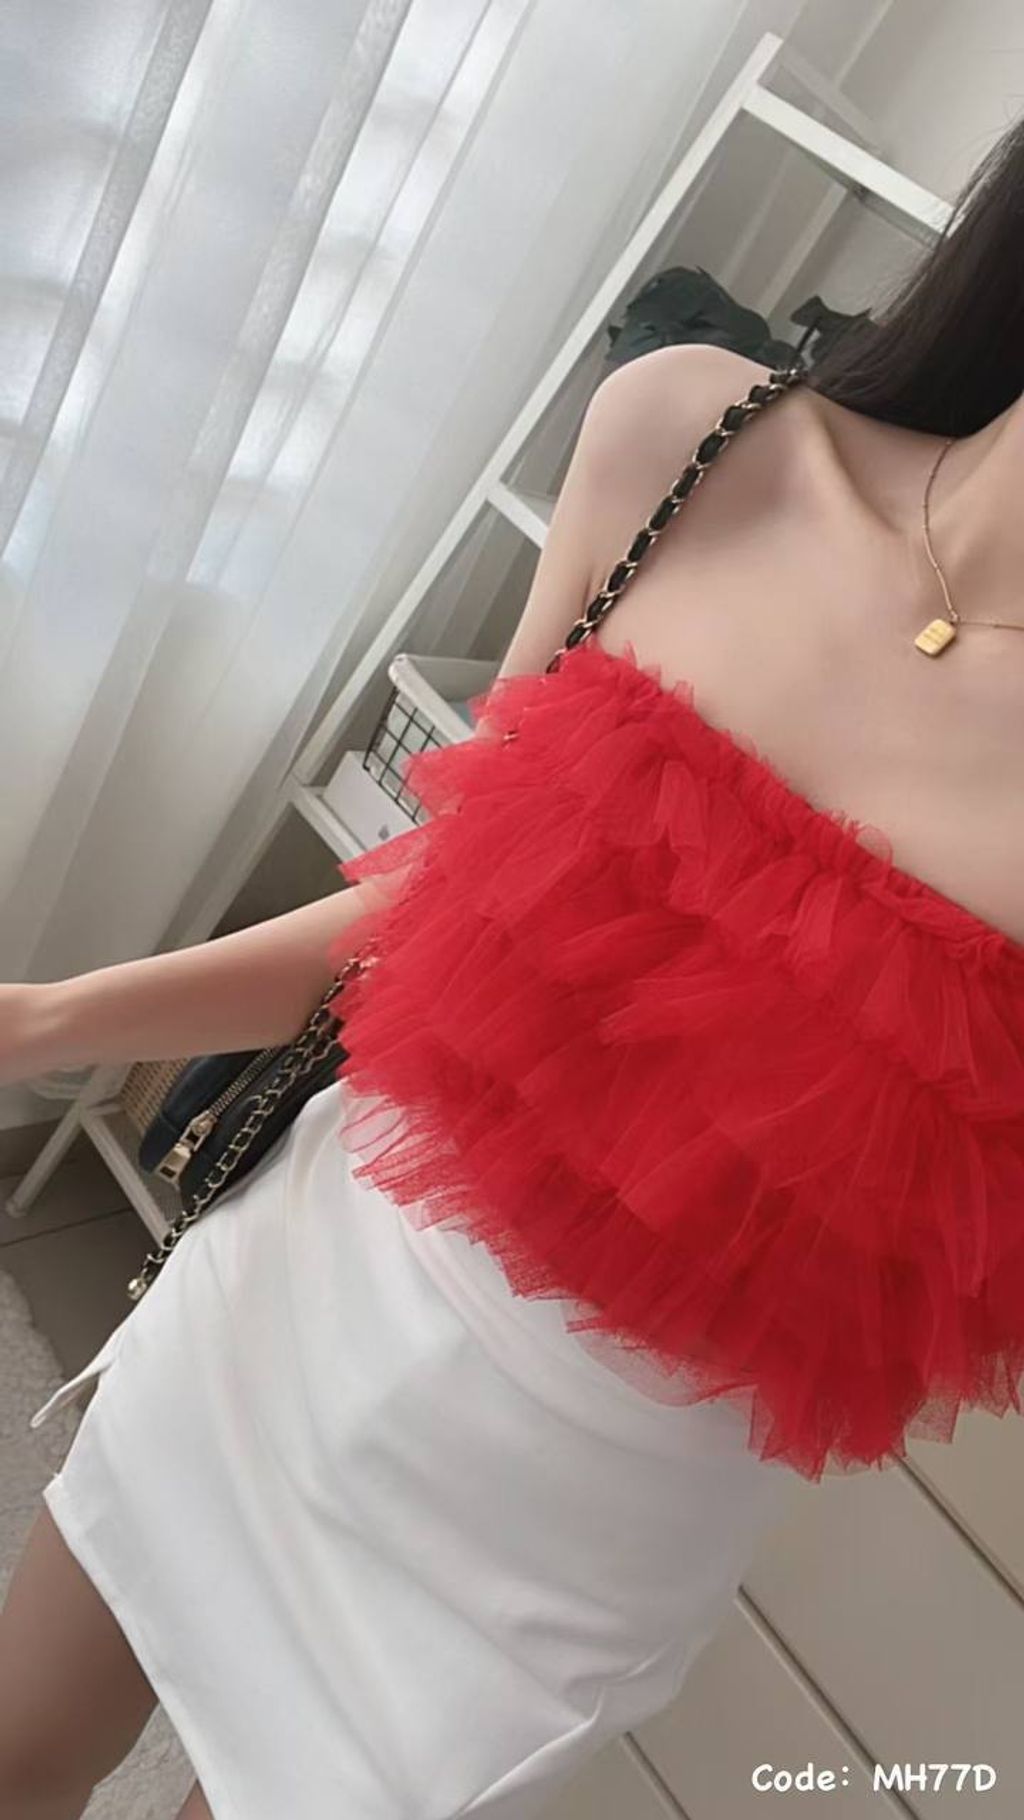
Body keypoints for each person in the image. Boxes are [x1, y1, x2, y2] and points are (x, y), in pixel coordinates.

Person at [2, 106, 1024, 1820]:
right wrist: (43, 1019)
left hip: (560, 1537)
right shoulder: (701, 440)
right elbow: (442, 902)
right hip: (301, 1298)